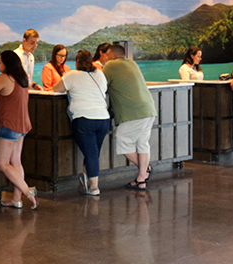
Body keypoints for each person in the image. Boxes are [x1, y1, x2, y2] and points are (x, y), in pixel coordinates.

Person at [0, 51, 38, 209]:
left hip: (9, 125)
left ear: (7, 64)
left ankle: (28, 192)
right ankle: (16, 199)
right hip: (23, 124)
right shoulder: (22, 78)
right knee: (15, 161)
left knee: (2, 163)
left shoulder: (4, 78)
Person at [53, 50, 109, 196]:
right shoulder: (99, 74)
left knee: (91, 153)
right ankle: (86, 180)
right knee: (94, 153)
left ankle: (94, 187)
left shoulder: (72, 75)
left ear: (77, 62)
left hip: (84, 119)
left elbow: (56, 88)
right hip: (103, 118)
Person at [102, 43, 156, 190]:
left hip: (132, 112)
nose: (105, 58)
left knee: (122, 142)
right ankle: (141, 179)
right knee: (143, 144)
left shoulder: (111, 65)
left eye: (106, 55)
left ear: (113, 56)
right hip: (148, 109)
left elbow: (101, 84)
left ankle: (145, 171)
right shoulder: (132, 63)